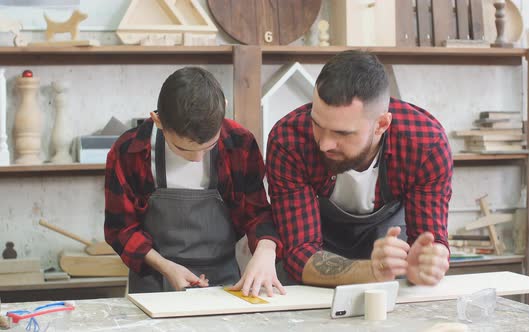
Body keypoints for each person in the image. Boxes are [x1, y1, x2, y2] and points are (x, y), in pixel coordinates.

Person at [266, 50, 453, 287]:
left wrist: (426, 266)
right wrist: (371, 270)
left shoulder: (425, 145)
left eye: (342, 133)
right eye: (317, 124)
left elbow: (429, 242)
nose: (324, 144)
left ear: (381, 125)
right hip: (315, 271)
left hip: (390, 259)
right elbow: (299, 253)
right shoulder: (289, 140)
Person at [105, 67, 285, 296]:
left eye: (209, 146)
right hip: (154, 281)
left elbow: (257, 212)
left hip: (225, 281)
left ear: (224, 109)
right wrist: (166, 267)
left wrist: (266, 250)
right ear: (158, 120)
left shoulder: (239, 143)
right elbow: (120, 229)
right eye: (182, 149)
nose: (197, 158)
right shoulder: (130, 151)